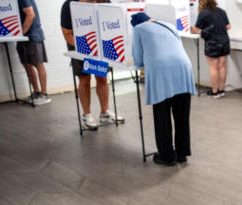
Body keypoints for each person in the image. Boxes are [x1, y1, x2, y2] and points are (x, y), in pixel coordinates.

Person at [131, 12, 196, 166]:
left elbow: (138, 59)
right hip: (184, 68)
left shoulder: (138, 29)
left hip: (161, 72)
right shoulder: (169, 25)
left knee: (162, 116)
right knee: (182, 116)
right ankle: (181, 154)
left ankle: (167, 156)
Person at [60, 0, 120, 129]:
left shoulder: (105, 2)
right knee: (84, 79)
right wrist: (85, 48)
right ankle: (87, 115)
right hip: (78, 47)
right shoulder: (69, 5)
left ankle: (105, 113)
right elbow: (67, 33)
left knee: (102, 78)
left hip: (100, 47)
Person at [192, 0, 230, 99]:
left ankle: (215, 92)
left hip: (212, 42)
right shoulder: (222, 11)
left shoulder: (203, 13)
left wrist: (202, 30)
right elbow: (228, 26)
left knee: (213, 67)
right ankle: (221, 90)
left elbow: (196, 30)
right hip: (225, 41)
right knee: (222, 66)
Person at [16, 0, 50, 105]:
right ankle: (36, 92)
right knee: (27, 64)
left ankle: (44, 95)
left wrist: (22, 33)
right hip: (25, 37)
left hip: (32, 35)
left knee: (38, 64)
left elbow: (30, 14)